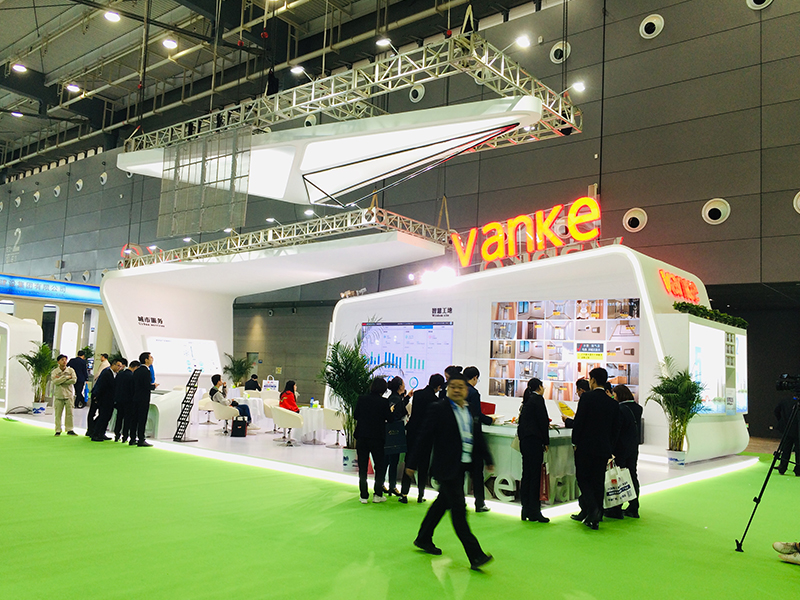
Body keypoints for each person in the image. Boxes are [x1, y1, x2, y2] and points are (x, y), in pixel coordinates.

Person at [405, 373, 494, 570]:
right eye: (452, 386)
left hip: (463, 465)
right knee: (459, 511)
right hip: (446, 467)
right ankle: (475, 555)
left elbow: (477, 436)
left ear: (466, 390)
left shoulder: (469, 410)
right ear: (447, 389)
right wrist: (411, 463)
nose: (456, 390)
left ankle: (423, 537)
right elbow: (424, 436)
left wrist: (488, 458)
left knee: (441, 504)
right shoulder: (439, 408)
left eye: (460, 386)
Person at [570, 367, 620, 530]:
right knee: (598, 481)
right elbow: (615, 429)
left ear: (592, 380)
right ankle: (596, 516)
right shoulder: (612, 403)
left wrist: (575, 442)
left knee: (583, 478)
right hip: (603, 448)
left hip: (585, 446)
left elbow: (579, 422)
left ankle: (593, 509)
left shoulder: (587, 398)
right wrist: (610, 446)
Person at [399, 373, 444, 504]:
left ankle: (404, 494)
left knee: (409, 462)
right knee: (423, 465)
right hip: (427, 435)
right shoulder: (436, 401)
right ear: (438, 387)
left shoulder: (417, 394)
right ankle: (420, 494)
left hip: (412, 432)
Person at [606, 384, 643, 519]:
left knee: (619, 476)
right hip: (633, 447)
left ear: (619, 395)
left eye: (614, 394)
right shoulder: (638, 408)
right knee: (632, 474)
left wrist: (611, 448)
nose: (613, 397)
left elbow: (617, 430)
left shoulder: (620, 409)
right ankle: (634, 506)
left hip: (620, 448)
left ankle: (616, 508)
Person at [354, 377, 393, 504]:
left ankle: (363, 495)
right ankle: (377, 494)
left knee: (363, 467)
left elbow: (356, 415)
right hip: (377, 438)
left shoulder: (362, 399)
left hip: (362, 436)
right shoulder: (384, 402)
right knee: (379, 467)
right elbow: (390, 419)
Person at [518, 378, 550, 523]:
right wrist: (546, 441)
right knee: (535, 477)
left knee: (526, 475)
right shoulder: (538, 400)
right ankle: (535, 511)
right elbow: (543, 422)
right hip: (535, 442)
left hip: (525, 442)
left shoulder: (527, 401)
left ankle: (525, 509)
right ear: (540, 387)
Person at [463, 365, 494, 512]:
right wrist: (489, 420)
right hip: (473, 438)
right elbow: (476, 415)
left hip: (460, 438)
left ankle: (459, 501)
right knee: (477, 473)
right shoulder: (474, 393)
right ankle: (479, 503)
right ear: (475, 378)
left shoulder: (459, 391)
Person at [382, 377, 410, 497]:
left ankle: (384, 484)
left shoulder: (393, 398)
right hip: (395, 433)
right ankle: (391, 486)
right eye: (403, 384)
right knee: (392, 461)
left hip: (390, 433)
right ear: (400, 387)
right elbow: (398, 412)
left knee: (388, 461)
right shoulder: (396, 399)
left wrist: (406, 398)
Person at [89, 358, 123, 441]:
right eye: (118, 366)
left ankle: (101, 433)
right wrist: (97, 397)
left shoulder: (116, 374)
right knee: (102, 416)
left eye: (120, 366)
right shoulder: (106, 373)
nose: (119, 368)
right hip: (103, 399)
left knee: (107, 417)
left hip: (110, 399)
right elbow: (101, 386)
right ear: (113, 365)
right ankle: (95, 434)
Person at [130, 352, 156, 447]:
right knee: (142, 419)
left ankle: (132, 438)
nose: (152, 359)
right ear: (146, 360)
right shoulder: (146, 371)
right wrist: (153, 386)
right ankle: (141, 439)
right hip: (143, 399)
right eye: (150, 357)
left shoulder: (137, 371)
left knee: (134, 419)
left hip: (136, 397)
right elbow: (146, 386)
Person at [51, 354, 78, 436]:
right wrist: (66, 377)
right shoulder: (55, 371)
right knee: (58, 414)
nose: (64, 361)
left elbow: (73, 380)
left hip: (69, 394)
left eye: (65, 360)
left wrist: (60, 379)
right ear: (58, 362)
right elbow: (55, 382)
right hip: (59, 395)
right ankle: (58, 430)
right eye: (62, 360)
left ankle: (69, 429)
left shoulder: (71, 370)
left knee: (70, 413)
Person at [774, 396, 800, 476]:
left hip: (787, 428)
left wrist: (781, 421)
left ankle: (782, 468)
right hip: (797, 429)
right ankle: (798, 470)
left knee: (786, 449)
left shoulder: (785, 400)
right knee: (798, 450)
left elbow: (776, 411)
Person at [113, 360, 138, 443]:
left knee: (119, 417)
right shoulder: (132, 376)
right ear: (135, 367)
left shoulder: (120, 374)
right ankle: (125, 436)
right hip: (128, 401)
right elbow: (132, 389)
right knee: (127, 419)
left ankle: (117, 434)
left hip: (119, 399)